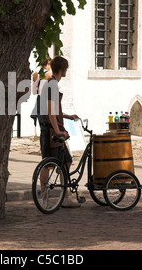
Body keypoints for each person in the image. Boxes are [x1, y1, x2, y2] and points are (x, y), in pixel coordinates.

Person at [40, 56, 80, 208]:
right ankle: (46, 199)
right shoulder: (52, 85)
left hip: (51, 127)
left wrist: (67, 116)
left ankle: (64, 197)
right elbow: (50, 111)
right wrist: (58, 131)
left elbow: (53, 110)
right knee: (47, 163)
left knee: (65, 162)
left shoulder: (50, 84)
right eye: (66, 69)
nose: (66, 72)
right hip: (51, 130)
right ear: (62, 70)